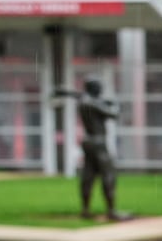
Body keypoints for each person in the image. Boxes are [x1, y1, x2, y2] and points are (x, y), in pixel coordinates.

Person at [52, 77, 129, 221]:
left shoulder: (84, 100)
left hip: (88, 141)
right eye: (99, 87)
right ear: (93, 88)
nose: (101, 90)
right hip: (98, 142)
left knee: (88, 176)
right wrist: (115, 104)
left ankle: (85, 210)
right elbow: (114, 114)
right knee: (109, 175)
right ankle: (111, 211)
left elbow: (79, 95)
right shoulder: (93, 103)